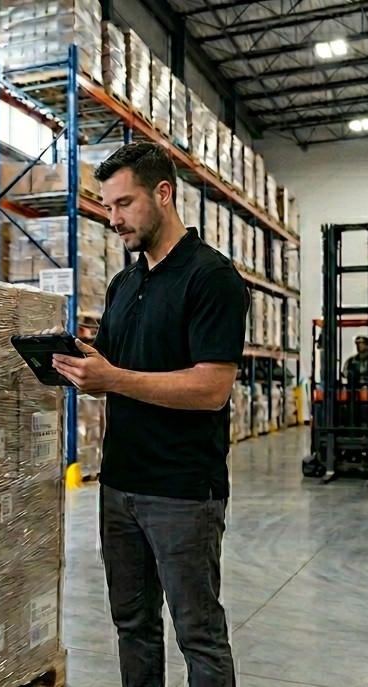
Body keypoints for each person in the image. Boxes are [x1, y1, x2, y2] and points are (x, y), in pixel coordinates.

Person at [51, 142, 246, 687]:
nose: (113, 220)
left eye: (123, 204)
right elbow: (110, 371)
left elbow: (212, 388)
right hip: (121, 486)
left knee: (198, 633)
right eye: (107, 207)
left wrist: (111, 378)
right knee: (132, 625)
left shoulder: (211, 278)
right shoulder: (124, 283)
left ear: (164, 193)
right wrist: (72, 365)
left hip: (183, 491)